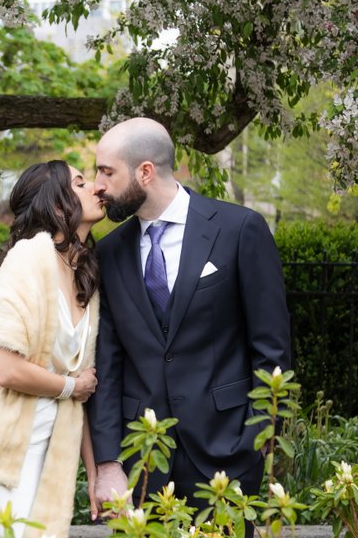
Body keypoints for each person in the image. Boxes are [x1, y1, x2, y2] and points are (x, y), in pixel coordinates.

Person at [86, 118, 291, 511]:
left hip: (227, 454)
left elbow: (272, 346)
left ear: (145, 172)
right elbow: (108, 365)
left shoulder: (239, 230)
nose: (98, 184)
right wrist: (109, 461)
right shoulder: (108, 253)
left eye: (107, 171)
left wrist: (257, 437)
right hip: (143, 461)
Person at [0, 160, 106, 538]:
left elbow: (81, 391)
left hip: (49, 458)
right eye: (81, 183)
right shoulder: (28, 258)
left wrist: (95, 472)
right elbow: (9, 371)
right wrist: (70, 386)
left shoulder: (85, 274)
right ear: (59, 206)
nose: (96, 188)